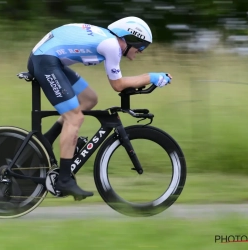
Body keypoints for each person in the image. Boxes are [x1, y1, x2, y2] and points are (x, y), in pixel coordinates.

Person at [26, 16, 172, 200]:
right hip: (45, 60)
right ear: (130, 38)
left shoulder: (108, 40)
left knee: (89, 98)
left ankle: (48, 139)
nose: (141, 51)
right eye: (141, 46)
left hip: (50, 59)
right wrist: (151, 77)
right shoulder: (112, 46)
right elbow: (118, 85)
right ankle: (64, 180)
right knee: (75, 118)